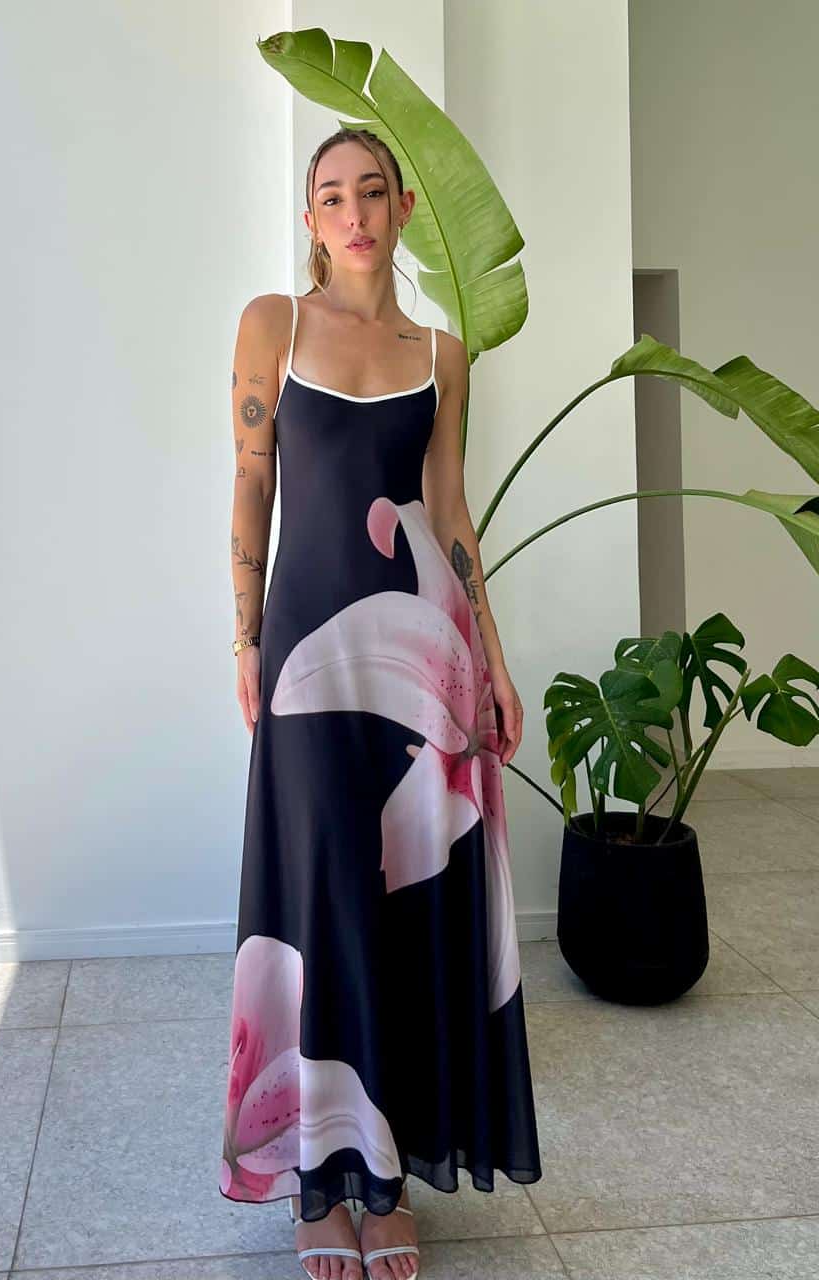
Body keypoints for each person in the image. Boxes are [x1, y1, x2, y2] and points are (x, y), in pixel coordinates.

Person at [219, 126, 542, 1280]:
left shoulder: (443, 355)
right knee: (319, 902)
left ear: (403, 206)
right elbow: (252, 478)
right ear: (310, 219)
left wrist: (492, 658)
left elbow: (448, 513)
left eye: (370, 193)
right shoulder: (274, 325)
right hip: (309, 654)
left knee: (406, 908)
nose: (352, 213)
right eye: (330, 197)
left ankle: (387, 1175)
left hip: (418, 663)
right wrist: (247, 637)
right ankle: (320, 1181)